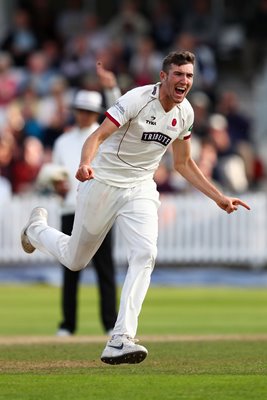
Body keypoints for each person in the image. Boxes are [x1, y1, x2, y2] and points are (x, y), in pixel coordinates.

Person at [21, 50, 250, 365]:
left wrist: (218, 196)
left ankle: (120, 338)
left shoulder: (186, 114)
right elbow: (97, 136)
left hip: (141, 187)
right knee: (75, 261)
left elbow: (183, 163)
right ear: (163, 76)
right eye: (179, 74)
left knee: (145, 254)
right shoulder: (136, 99)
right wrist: (85, 164)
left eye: (189, 76)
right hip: (103, 182)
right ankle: (36, 230)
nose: (184, 81)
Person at [51, 63, 120, 336]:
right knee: (70, 268)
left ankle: (109, 324)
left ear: (95, 114)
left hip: (101, 206)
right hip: (70, 207)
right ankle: (68, 324)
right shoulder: (62, 141)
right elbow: (56, 175)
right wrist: (56, 187)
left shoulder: (106, 137)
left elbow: (123, 110)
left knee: (105, 269)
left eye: (88, 111)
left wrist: (110, 86)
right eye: (79, 111)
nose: (82, 115)